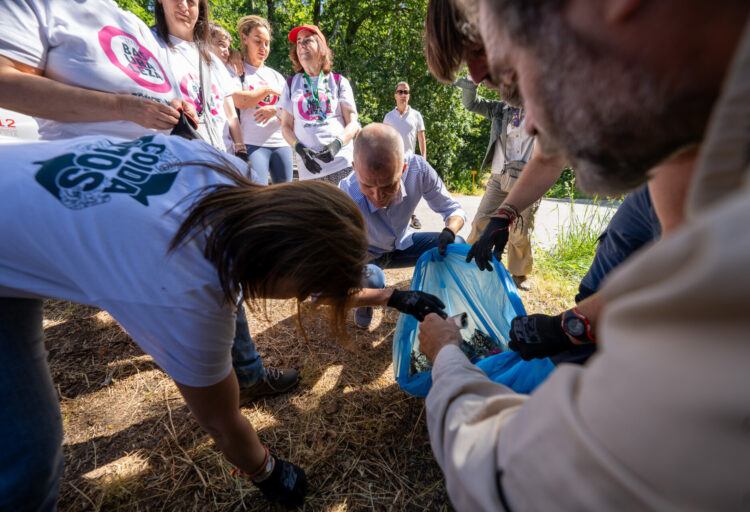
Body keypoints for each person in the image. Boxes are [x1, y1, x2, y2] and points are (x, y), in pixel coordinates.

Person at [419, 0, 750, 510]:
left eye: (505, 62)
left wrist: (449, 358)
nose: (533, 123)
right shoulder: (697, 127)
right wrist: (505, 216)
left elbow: (516, 479)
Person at [0, 132, 375, 509]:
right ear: (282, 264)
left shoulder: (223, 169)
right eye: (302, 291)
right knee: (28, 459)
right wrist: (268, 471)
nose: (297, 299)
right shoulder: (186, 292)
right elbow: (220, 421)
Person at [0, 0, 193, 140]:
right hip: (87, 166)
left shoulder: (134, 24)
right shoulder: (37, 5)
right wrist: (121, 107)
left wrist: (175, 105)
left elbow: (154, 86)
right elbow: (5, 83)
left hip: (166, 161)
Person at [339, 123, 466, 328]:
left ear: (403, 169)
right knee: (372, 279)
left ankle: (438, 300)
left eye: (388, 185)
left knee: (456, 245)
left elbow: (453, 209)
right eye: (367, 186)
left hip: (403, 244)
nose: (377, 196)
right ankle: (365, 303)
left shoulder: (418, 169)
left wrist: (449, 230)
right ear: (355, 168)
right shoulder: (345, 195)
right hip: (366, 255)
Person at [455, 75, 556, 290]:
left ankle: (518, 273)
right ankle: (469, 262)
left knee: (520, 230)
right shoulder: (501, 109)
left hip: (528, 179)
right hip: (499, 175)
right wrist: (471, 84)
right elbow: (471, 103)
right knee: (482, 220)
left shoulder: (543, 109)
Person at [153, 0, 247, 158]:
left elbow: (231, 114)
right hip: (179, 158)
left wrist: (241, 151)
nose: (184, 6)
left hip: (222, 157)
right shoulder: (150, 47)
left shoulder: (213, 61)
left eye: (191, 2)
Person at [277, 24, 360, 185]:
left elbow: (352, 123)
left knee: (343, 210)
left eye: (307, 40)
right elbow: (286, 126)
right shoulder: (290, 84)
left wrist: (337, 145)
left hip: (342, 165)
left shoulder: (338, 81)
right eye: (299, 42)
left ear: (321, 47)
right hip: (309, 172)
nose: (301, 45)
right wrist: (300, 149)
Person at [230, 15, 292, 186]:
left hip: (281, 143)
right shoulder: (236, 69)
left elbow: (290, 110)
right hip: (252, 144)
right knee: (257, 193)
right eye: (258, 41)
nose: (263, 47)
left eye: (267, 43)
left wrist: (274, 110)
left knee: (286, 196)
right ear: (245, 38)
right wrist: (268, 90)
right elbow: (239, 101)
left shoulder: (277, 76)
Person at [383, 81, 427, 230]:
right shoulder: (388, 117)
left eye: (406, 92)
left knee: (411, 189)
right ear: (395, 95)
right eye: (400, 92)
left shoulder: (416, 115)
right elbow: (384, 138)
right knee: (393, 189)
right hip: (392, 160)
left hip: (411, 159)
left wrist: (423, 159)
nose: (403, 95)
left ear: (409, 95)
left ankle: (412, 216)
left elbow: (421, 138)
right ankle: (392, 217)